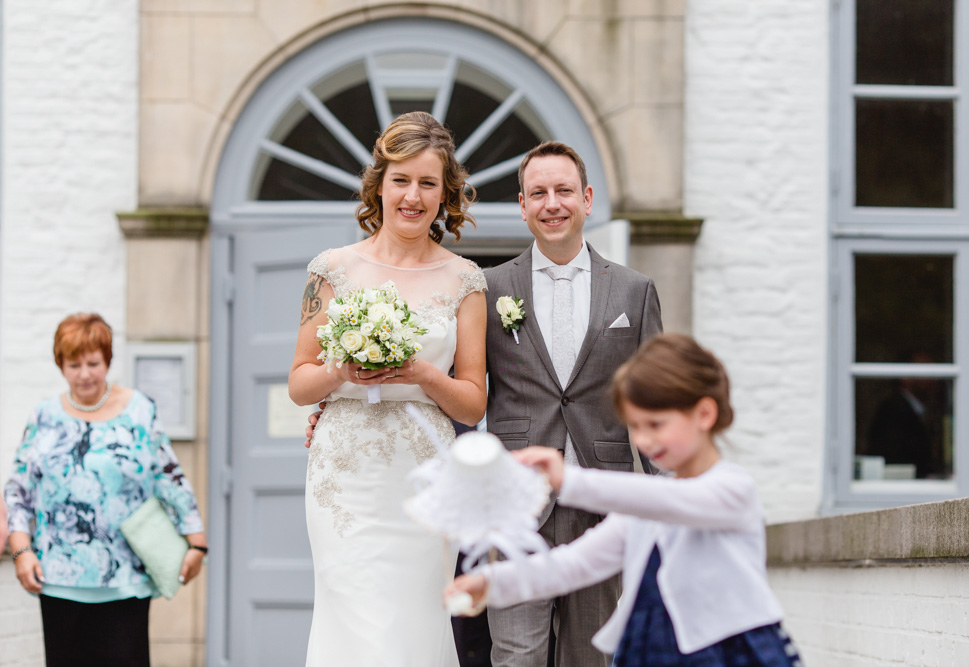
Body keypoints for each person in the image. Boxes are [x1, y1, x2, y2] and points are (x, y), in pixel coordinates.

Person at [446, 334, 803, 667]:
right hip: (651, 651)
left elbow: (671, 500)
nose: (645, 439)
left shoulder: (731, 490)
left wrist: (569, 478)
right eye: (635, 426)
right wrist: (492, 581)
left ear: (704, 415)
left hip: (732, 650)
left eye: (656, 424)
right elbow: (573, 564)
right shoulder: (643, 506)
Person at [288, 110, 487, 666]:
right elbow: (300, 384)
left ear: (445, 194)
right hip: (345, 476)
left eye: (428, 183)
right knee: (353, 616)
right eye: (402, 180)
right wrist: (341, 373)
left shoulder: (466, 279)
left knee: (413, 625)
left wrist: (423, 373)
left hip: (424, 472)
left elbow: (474, 399)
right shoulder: (330, 270)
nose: (413, 197)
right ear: (379, 185)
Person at [482, 141, 662, 667]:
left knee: (591, 658)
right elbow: (460, 390)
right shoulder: (489, 289)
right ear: (522, 205)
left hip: (602, 506)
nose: (551, 203)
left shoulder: (633, 291)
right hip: (514, 511)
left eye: (563, 190)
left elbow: (655, 401)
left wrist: (663, 499)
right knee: (516, 657)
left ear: (586, 198)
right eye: (538, 193)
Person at [4, 313, 207, 667]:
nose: (84, 374)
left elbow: (169, 476)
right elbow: (19, 490)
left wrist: (197, 542)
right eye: (74, 364)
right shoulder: (44, 416)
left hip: (125, 577)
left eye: (93, 363)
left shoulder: (139, 411)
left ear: (108, 360)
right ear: (61, 365)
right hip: (58, 578)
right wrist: (22, 552)